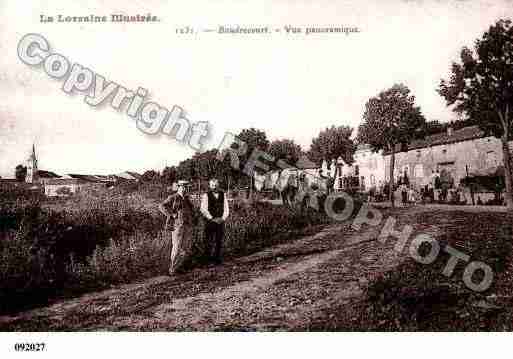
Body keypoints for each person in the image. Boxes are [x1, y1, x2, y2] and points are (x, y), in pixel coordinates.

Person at [159, 182, 194, 276]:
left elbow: (191, 210)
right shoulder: (173, 197)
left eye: (186, 187)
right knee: (176, 248)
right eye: (183, 187)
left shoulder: (186, 199)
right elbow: (162, 206)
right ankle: (172, 269)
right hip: (177, 227)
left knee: (185, 248)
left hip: (187, 226)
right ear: (179, 187)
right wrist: (172, 214)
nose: (185, 189)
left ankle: (179, 267)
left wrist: (192, 219)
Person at [200, 178, 230, 264]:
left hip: (220, 221)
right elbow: (203, 209)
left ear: (218, 185)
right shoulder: (206, 195)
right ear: (210, 186)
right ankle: (207, 260)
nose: (214, 187)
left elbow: (226, 208)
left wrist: (223, 218)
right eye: (212, 185)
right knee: (208, 240)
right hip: (210, 221)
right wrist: (211, 218)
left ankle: (217, 259)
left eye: (216, 185)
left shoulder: (223, 194)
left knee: (219, 240)